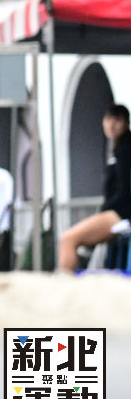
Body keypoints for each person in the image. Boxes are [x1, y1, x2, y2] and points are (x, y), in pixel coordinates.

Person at [59, 103, 131, 274]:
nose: (112, 125)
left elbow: (126, 191)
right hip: (116, 212)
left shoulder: (126, 150)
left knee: (68, 239)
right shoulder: (119, 149)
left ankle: (65, 285)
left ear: (126, 123)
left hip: (121, 214)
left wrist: (103, 211)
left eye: (117, 120)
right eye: (108, 119)